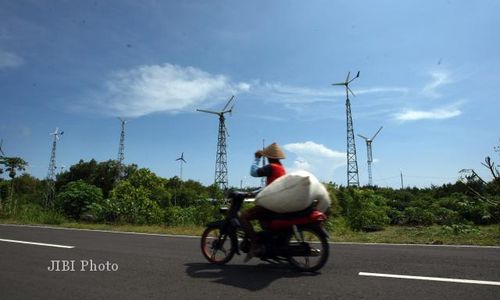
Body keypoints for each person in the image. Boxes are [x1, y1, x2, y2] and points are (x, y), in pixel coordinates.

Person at [240, 142, 286, 262]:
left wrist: (257, 158)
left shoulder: (272, 167)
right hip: (278, 202)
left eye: (266, 156)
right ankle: (268, 246)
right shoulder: (281, 169)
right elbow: (271, 186)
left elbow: (253, 172)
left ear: (269, 157)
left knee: (244, 217)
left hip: (271, 203)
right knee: (264, 223)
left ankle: (254, 245)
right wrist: (254, 192)